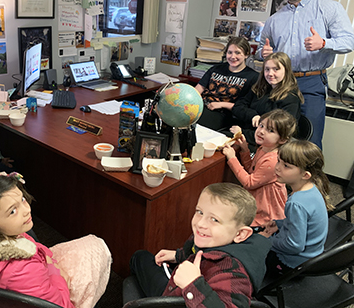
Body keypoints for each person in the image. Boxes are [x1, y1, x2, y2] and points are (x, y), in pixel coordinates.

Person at [0, 175, 111, 308]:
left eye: (22, 199)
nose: (26, 209)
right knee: (96, 248)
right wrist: (56, 273)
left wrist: (47, 258)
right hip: (40, 286)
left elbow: (31, 244)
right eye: (12, 211)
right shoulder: (22, 269)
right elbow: (60, 305)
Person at [129, 183, 271, 307]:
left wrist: (193, 285)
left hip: (180, 297)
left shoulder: (234, 273)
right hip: (180, 288)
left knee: (139, 257)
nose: (201, 223)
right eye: (200, 212)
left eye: (214, 219)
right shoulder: (212, 239)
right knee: (142, 257)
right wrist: (178, 255)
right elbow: (194, 248)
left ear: (240, 234)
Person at [258, 0, 354, 148]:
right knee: (277, 135)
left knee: (309, 140)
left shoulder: (329, 8)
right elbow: (262, 49)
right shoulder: (275, 19)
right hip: (280, 83)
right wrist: (263, 53)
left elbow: (349, 41)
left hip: (312, 82)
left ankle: (309, 176)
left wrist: (324, 44)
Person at [261, 139, 332, 276]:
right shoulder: (312, 188)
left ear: (305, 175)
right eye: (278, 161)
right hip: (311, 256)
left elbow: (294, 245)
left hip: (293, 263)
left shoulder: (296, 204)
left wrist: (267, 240)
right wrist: (279, 224)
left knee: (250, 252)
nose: (277, 167)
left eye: (286, 166)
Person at [222, 109, 296, 226]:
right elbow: (251, 170)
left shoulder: (273, 160)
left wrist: (232, 158)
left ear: (282, 140)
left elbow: (249, 182)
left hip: (267, 214)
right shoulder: (263, 148)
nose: (261, 131)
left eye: (270, 130)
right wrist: (245, 150)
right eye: (261, 126)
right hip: (257, 200)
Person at [232, 52, 304, 149]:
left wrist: (242, 132)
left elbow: (277, 135)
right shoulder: (260, 89)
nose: (270, 74)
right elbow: (237, 107)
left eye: (276, 69)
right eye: (267, 69)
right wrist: (253, 116)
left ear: (286, 71)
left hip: (266, 145)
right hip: (247, 134)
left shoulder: (290, 99)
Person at [195, 36, 259, 131]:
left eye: (237, 53)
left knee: (193, 124)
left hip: (224, 114)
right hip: (202, 106)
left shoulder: (253, 77)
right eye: (230, 52)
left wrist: (221, 104)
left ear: (246, 55)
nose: (233, 57)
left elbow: (245, 108)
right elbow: (197, 90)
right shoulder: (216, 69)